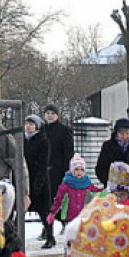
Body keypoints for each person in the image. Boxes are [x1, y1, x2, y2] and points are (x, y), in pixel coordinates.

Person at [23, 114, 54, 249]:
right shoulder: (21, 140)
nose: (29, 126)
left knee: (44, 211)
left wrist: (38, 184)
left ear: (37, 126)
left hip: (38, 178)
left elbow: (43, 164)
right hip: (24, 178)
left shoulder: (43, 140)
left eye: (32, 124)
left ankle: (50, 236)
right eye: (27, 124)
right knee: (19, 210)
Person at [48, 156, 102, 229]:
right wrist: (52, 212)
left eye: (82, 170)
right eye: (76, 169)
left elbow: (97, 193)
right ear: (72, 170)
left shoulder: (87, 183)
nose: (79, 172)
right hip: (70, 216)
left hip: (84, 216)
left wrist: (106, 191)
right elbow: (58, 199)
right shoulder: (66, 185)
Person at [94, 118, 129, 188]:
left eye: (127, 133)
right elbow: (101, 168)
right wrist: (109, 182)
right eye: (122, 134)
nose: (125, 136)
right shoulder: (107, 146)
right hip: (112, 187)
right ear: (116, 133)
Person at [42, 104, 74, 199]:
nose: (50, 115)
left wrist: (65, 170)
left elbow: (68, 153)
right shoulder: (41, 130)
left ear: (57, 115)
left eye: (52, 113)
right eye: (47, 113)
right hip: (43, 170)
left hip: (58, 171)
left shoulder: (64, 131)